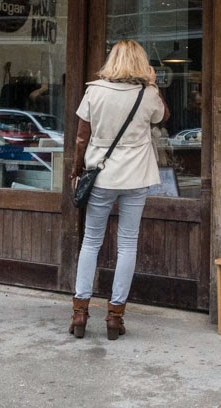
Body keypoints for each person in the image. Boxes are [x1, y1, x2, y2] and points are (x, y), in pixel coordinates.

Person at [68, 40, 168, 340]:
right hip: (136, 176)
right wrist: (153, 83)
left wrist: (76, 169)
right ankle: (115, 316)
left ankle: (80, 312)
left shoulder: (95, 90)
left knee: (91, 242)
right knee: (127, 244)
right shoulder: (148, 94)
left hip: (101, 175)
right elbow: (163, 117)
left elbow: (80, 138)